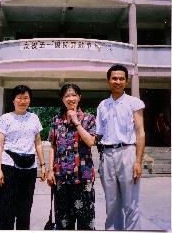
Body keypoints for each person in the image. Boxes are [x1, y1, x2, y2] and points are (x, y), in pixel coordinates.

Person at [96, 64, 145, 230]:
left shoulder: (134, 103)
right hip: (107, 155)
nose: (118, 81)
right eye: (114, 78)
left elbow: (140, 133)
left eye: (121, 78)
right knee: (111, 204)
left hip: (128, 153)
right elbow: (99, 135)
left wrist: (138, 161)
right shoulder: (102, 105)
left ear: (126, 81)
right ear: (108, 80)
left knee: (130, 203)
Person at [0, 84, 46, 230]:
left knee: (25, 207)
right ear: (13, 100)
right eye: (19, 98)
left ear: (29, 100)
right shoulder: (5, 118)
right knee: (7, 206)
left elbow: (38, 143)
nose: (22, 101)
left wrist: (43, 166)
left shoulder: (34, 118)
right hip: (9, 164)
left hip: (29, 166)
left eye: (26, 98)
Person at [47, 83, 96, 230]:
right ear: (62, 99)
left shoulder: (88, 118)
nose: (71, 98)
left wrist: (76, 122)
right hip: (61, 178)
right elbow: (53, 146)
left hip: (82, 177)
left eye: (74, 95)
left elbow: (91, 141)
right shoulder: (56, 120)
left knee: (85, 221)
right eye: (67, 95)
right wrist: (50, 171)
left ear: (79, 97)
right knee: (63, 222)